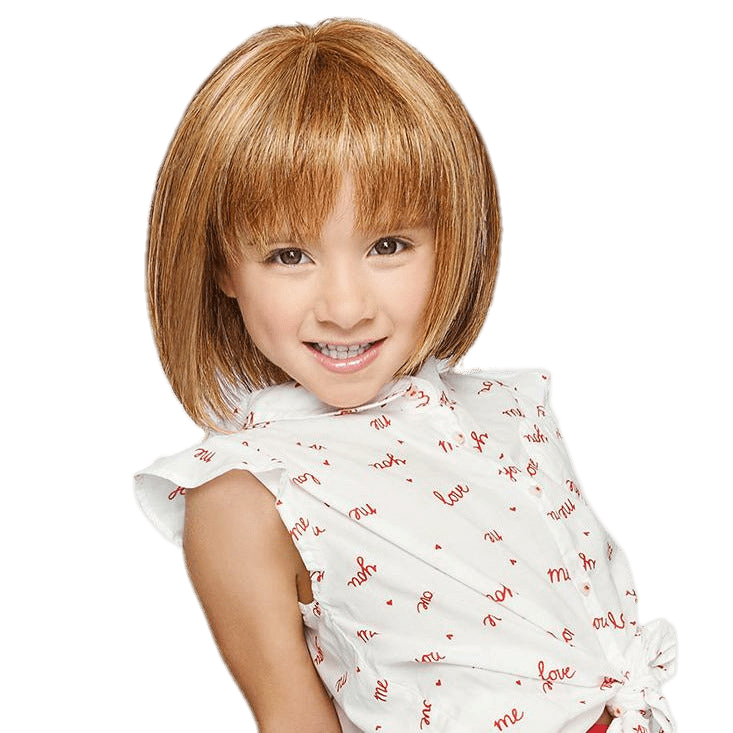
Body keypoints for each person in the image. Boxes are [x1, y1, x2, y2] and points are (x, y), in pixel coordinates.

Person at [132, 16, 678, 733]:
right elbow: (293, 719)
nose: (345, 307)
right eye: (289, 255)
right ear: (221, 267)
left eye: (388, 245)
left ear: (450, 238)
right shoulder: (246, 492)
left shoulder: (509, 408)